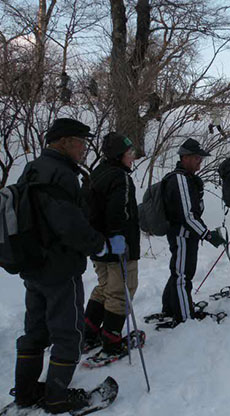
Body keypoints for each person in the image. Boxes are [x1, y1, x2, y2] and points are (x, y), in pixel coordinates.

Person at [12, 118, 112, 413]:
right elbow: (70, 226)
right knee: (68, 333)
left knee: (35, 330)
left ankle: (26, 392)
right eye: (81, 142)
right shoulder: (61, 174)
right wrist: (100, 244)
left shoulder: (32, 168)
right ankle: (57, 397)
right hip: (60, 267)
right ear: (65, 141)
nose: (83, 149)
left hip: (34, 265)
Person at [83, 133, 139, 357]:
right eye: (129, 153)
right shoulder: (120, 177)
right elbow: (118, 211)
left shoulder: (97, 173)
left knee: (104, 287)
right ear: (119, 155)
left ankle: (89, 333)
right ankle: (112, 340)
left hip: (98, 246)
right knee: (121, 291)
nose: (132, 158)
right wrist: (117, 236)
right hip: (118, 246)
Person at [161, 138, 223, 323]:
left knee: (181, 273)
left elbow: (194, 211)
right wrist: (207, 234)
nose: (200, 161)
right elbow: (187, 216)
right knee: (182, 276)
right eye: (196, 158)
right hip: (181, 235)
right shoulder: (179, 179)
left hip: (188, 235)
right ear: (185, 157)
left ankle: (171, 307)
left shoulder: (188, 179)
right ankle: (184, 315)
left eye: (200, 158)